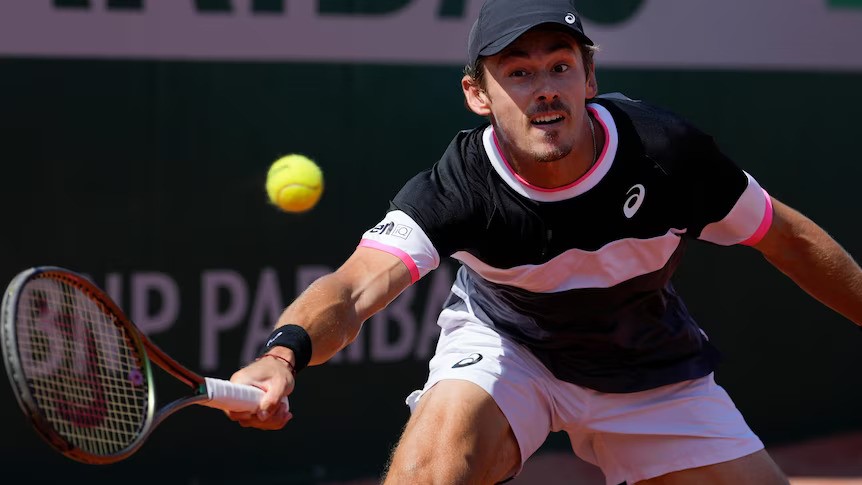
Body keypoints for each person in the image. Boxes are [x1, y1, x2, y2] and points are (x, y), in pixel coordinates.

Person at [226, 0, 862, 483]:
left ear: (590, 77)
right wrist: (283, 354)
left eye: (561, 66)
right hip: (508, 348)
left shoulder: (667, 154)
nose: (545, 89)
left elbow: (788, 239)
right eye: (519, 72)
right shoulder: (458, 188)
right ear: (478, 94)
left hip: (648, 367)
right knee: (433, 464)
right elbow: (355, 285)